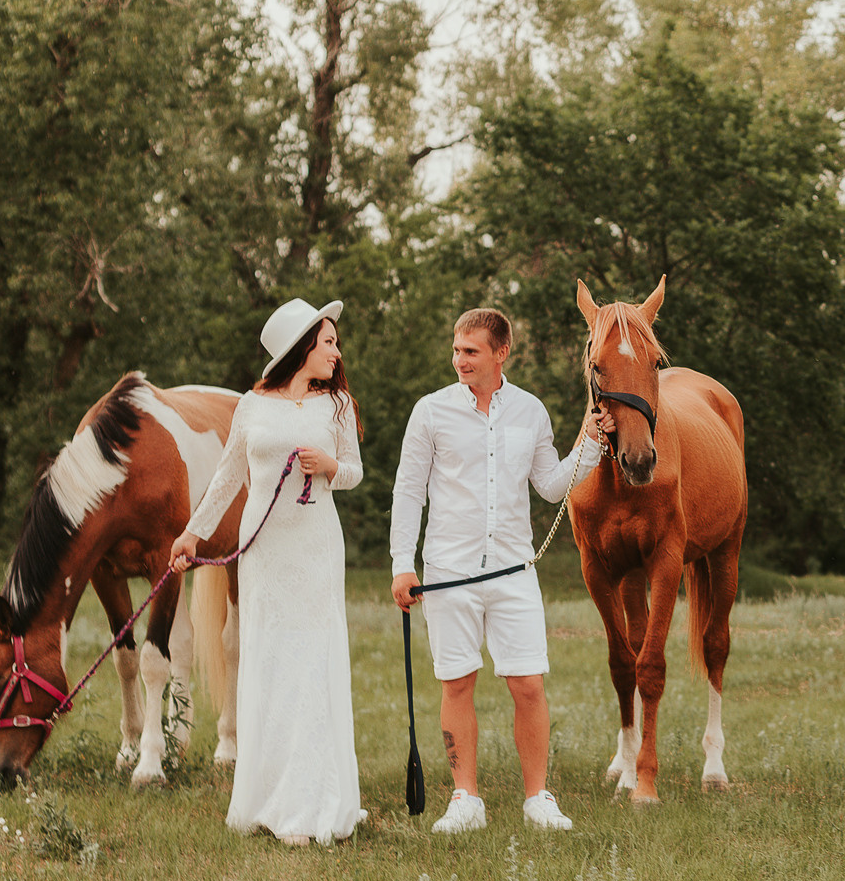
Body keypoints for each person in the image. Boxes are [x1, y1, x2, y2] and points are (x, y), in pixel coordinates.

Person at [391, 307, 610, 834]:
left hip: (514, 572)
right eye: (456, 350)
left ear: (501, 352)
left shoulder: (531, 411)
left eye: (470, 351)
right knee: (457, 683)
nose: (459, 360)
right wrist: (403, 564)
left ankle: (538, 797)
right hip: (447, 571)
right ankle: (465, 798)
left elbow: (553, 486)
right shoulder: (430, 411)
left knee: (528, 684)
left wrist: (593, 442)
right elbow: (408, 490)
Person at [170, 298, 366, 847]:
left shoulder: (338, 406)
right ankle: (264, 797)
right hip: (264, 553)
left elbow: (353, 472)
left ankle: (314, 801)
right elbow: (228, 478)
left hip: (315, 546)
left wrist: (331, 468)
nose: (336, 350)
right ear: (302, 346)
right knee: (270, 659)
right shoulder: (252, 407)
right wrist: (192, 534)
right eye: (328, 341)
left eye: (334, 342)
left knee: (311, 660)